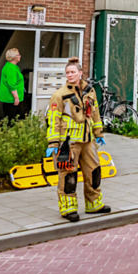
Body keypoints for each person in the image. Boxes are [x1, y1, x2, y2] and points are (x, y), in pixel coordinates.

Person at [45, 57, 109, 222]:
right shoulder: (59, 95)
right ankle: (68, 209)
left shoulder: (90, 91)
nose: (70, 75)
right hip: (69, 143)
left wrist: (99, 133)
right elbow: (53, 120)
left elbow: (94, 113)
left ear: (80, 73)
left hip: (88, 141)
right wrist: (53, 142)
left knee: (94, 172)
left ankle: (94, 204)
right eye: (67, 72)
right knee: (69, 177)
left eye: (73, 72)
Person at [0, 48, 25, 121]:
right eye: (18, 55)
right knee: (14, 119)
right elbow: (11, 84)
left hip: (12, 98)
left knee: (17, 117)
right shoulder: (11, 68)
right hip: (11, 99)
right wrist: (16, 97)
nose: (20, 56)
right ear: (14, 57)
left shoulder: (11, 66)